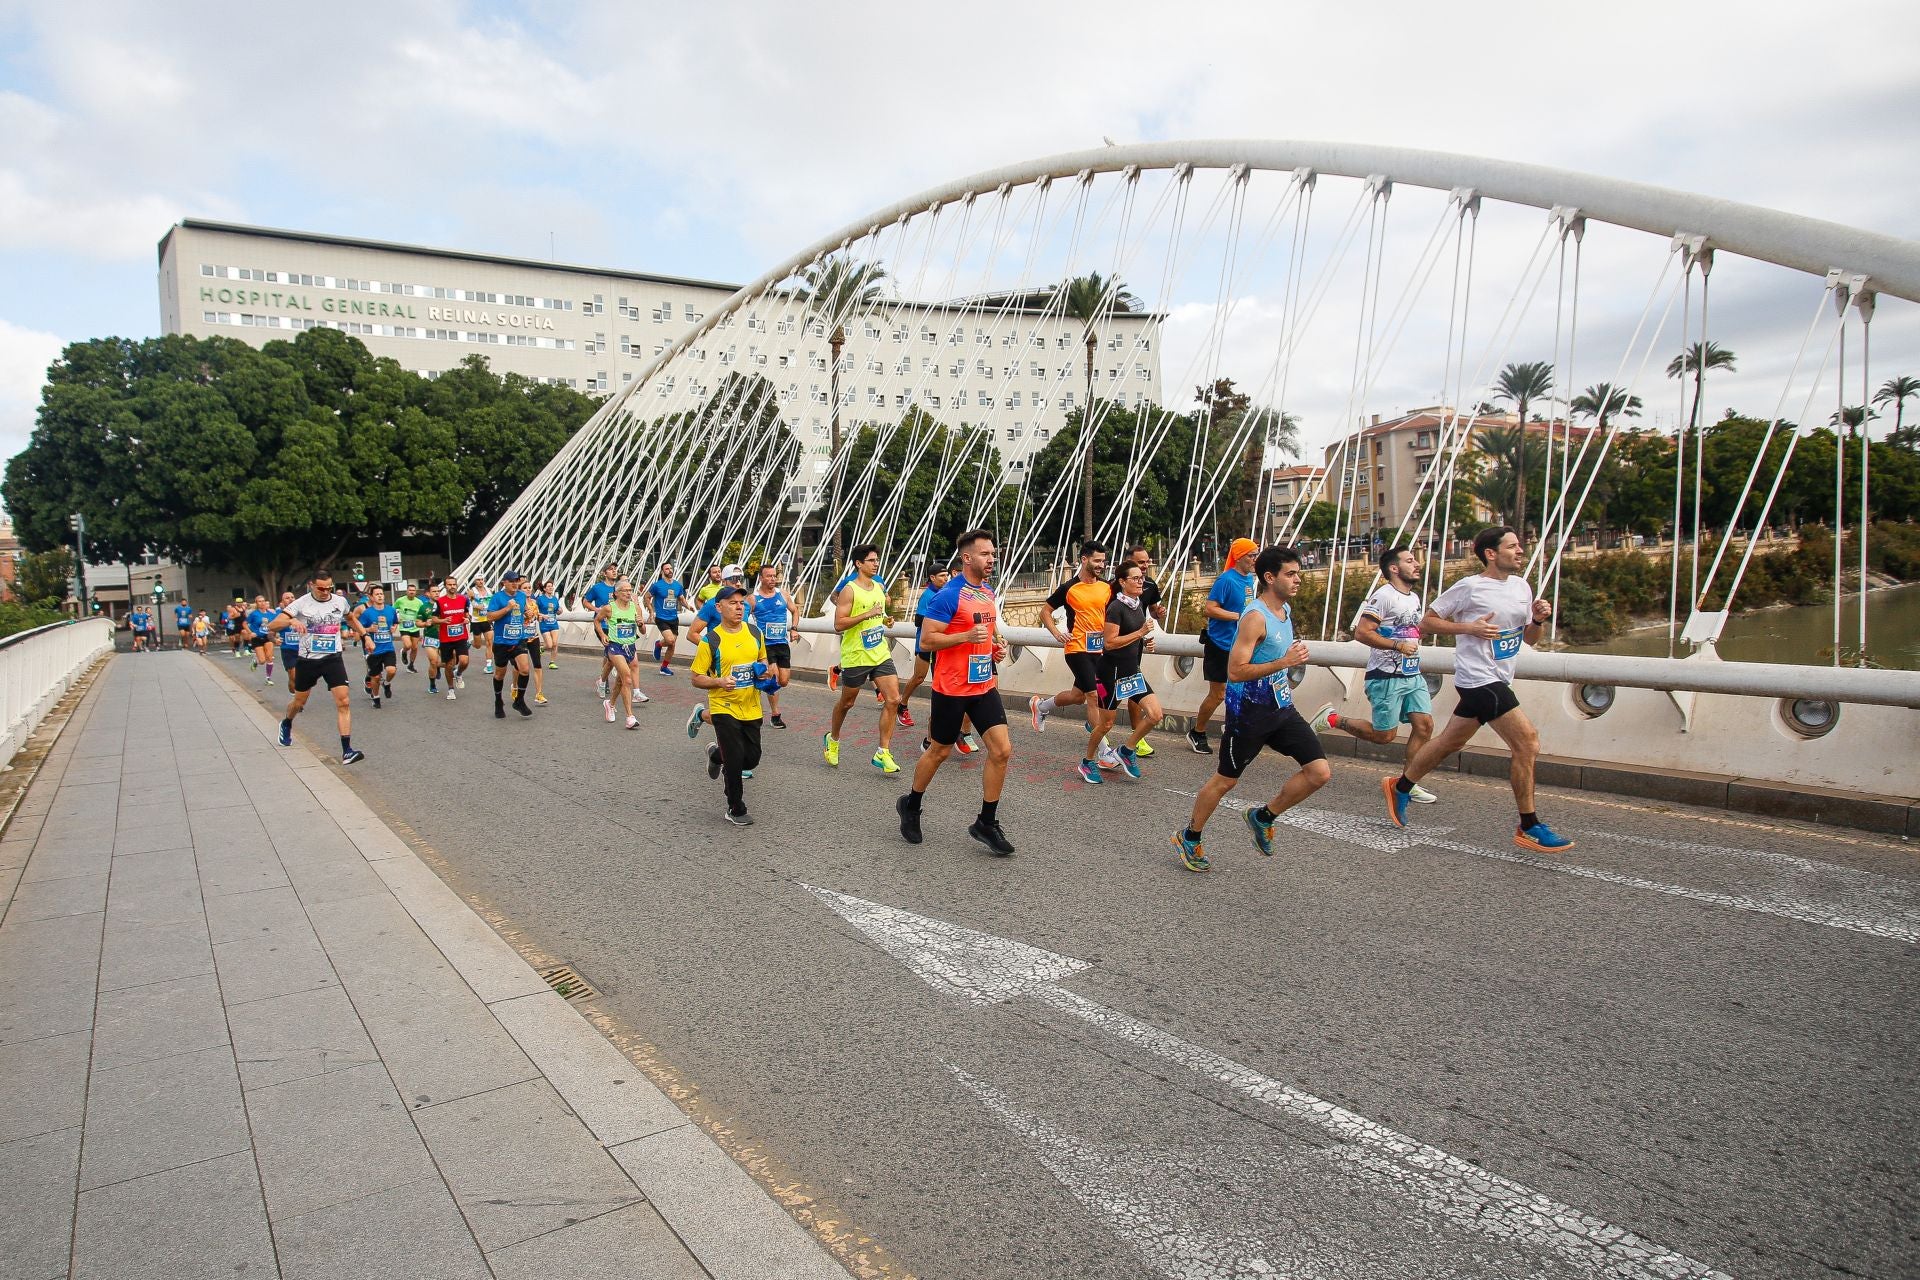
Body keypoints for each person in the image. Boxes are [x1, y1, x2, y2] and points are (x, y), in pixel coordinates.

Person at [1381, 526, 1573, 853]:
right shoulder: (1470, 587)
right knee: (1527, 743)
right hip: (1478, 678)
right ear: (1491, 553)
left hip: (1500, 676)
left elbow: (1528, 639)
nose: (1520, 551)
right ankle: (1529, 825)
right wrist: (1468, 627)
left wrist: (1537, 621)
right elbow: (1427, 622)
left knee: (1449, 741)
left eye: (1519, 546)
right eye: (1512, 546)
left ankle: (1399, 786)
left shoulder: (1522, 588)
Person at [1173, 546, 1329, 873]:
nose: (1298, 579)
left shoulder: (1284, 612)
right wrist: (1283, 661)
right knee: (1225, 781)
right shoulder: (1255, 617)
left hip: (1282, 708)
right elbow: (1235, 671)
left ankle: (1263, 816)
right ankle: (1190, 836)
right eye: (1291, 573)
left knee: (1319, 773)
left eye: (1298, 572)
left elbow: (1275, 658)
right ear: (1270, 578)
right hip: (1248, 715)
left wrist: (1287, 660)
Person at [896, 530, 1015, 855]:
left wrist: (994, 647)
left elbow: (987, 633)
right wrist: (964, 636)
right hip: (951, 688)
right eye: (985, 554)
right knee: (939, 752)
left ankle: (986, 823)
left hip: (983, 684)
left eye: (993, 553)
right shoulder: (948, 595)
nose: (991, 559)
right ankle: (912, 804)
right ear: (966, 558)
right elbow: (927, 641)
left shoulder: (987, 591)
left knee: (1002, 751)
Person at [1310, 545, 1438, 804]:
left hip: (1411, 673)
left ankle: (1407, 783)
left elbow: (1408, 629)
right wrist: (1397, 645)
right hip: (1386, 675)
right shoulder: (1384, 596)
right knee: (1384, 736)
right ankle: (1334, 719)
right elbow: (1362, 632)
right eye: (1410, 561)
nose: (1417, 565)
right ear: (1394, 568)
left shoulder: (1413, 598)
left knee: (1424, 726)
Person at [1029, 541, 1119, 770]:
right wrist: (1057, 633)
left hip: (1098, 650)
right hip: (1077, 649)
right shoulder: (1069, 587)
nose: (1101, 565)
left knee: (1077, 696)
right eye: (1097, 560)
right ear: (1084, 559)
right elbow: (1045, 611)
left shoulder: (1106, 587)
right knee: (1092, 695)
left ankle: (1041, 706)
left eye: (1103, 561)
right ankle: (1103, 751)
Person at [267, 570, 367, 765]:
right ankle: (287, 723)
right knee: (299, 702)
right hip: (307, 661)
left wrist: (365, 635)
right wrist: (291, 620)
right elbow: (273, 624)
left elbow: (350, 618)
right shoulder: (301, 603)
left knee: (344, 702)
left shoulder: (339, 601)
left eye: (329, 587)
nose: (325, 591)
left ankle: (347, 750)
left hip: (332, 658)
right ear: (311, 585)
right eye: (321, 588)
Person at [689, 585, 770, 826]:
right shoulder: (711, 640)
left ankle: (716, 754)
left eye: (741, 602)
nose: (739, 607)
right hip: (723, 706)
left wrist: (764, 672)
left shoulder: (755, 633)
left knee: (751, 759)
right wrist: (718, 682)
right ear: (718, 607)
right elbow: (695, 677)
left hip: (751, 705)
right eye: (732, 602)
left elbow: (762, 659)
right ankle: (735, 807)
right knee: (734, 761)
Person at [824, 545, 902, 774]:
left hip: (879, 652)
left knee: (894, 699)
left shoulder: (878, 586)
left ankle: (883, 752)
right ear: (859, 564)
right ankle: (833, 739)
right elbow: (839, 624)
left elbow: (880, 614)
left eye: (877, 560)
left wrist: (886, 621)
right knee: (847, 703)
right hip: (856, 654)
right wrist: (866, 615)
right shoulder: (849, 590)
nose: (876, 564)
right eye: (871, 560)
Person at [1092, 559, 1164, 782]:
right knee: (1105, 724)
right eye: (1135, 578)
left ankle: (1126, 750)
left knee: (1155, 715)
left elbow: (1134, 637)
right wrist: (1141, 632)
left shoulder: (1136, 605)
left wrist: (1146, 642)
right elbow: (1110, 643)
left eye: (1142, 577)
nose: (1141, 581)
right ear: (1122, 582)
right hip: (1111, 673)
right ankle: (1087, 761)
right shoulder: (1115, 607)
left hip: (1131, 671)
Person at [1189, 537, 1258, 754]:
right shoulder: (1226, 580)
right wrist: (1238, 616)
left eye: (1256, 555)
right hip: (1219, 644)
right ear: (1239, 557)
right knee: (1218, 694)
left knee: (1241, 690)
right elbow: (1210, 609)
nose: (1254, 559)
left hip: (1240, 645)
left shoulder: (1248, 580)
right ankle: (1197, 732)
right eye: (1251, 555)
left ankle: (1234, 731)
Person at [1120, 545, 1164, 758]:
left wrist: (1158, 614)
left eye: (1147, 562)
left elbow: (1151, 613)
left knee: (1133, 692)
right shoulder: (1115, 592)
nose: (1145, 567)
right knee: (1103, 698)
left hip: (1134, 647)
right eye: (1140, 563)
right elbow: (1111, 629)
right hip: (1114, 652)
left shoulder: (1150, 586)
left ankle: (1135, 739)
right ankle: (1098, 728)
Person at [749, 562, 799, 728]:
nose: (772, 579)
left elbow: (795, 610)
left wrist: (794, 629)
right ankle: (775, 714)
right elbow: (740, 619)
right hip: (765, 646)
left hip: (782, 643)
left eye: (774, 576)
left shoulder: (783, 594)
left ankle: (757, 682)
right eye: (768, 576)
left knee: (783, 681)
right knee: (774, 676)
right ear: (761, 578)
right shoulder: (753, 599)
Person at [482, 570, 536, 718]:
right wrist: (507, 608)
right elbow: (489, 617)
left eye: (516, 581)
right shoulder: (497, 597)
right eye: (511, 581)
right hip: (501, 642)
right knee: (500, 674)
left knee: (524, 670)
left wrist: (528, 614)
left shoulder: (521, 595)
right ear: (504, 583)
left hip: (518, 639)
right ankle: (498, 701)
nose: (514, 583)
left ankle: (519, 701)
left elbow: (524, 610)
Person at [596, 578, 644, 729]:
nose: (629, 593)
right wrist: (603, 635)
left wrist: (641, 624)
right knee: (627, 679)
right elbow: (597, 621)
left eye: (630, 590)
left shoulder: (635, 608)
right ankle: (630, 717)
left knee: (620, 681)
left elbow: (642, 631)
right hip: (615, 647)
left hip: (630, 647)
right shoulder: (609, 608)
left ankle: (610, 704)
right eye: (625, 590)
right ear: (616, 593)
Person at [355, 585, 399, 708]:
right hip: (373, 649)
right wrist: (369, 629)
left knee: (391, 670)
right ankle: (376, 697)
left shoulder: (391, 610)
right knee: (375, 676)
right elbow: (359, 629)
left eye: (381, 594)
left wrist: (394, 627)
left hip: (388, 647)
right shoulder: (367, 613)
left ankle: (387, 683)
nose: (380, 596)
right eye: (377, 594)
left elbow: (395, 622)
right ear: (371, 597)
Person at [583, 561, 622, 697]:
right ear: (604, 573)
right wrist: (595, 609)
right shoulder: (597, 588)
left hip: (616, 625)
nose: (614, 571)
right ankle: (607, 677)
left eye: (615, 569)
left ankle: (602, 681)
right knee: (611, 650)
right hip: (602, 625)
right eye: (611, 569)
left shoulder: (619, 588)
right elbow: (585, 601)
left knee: (608, 654)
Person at [437, 574, 472, 700]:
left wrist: (467, 619)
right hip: (446, 638)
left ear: (457, 586)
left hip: (461, 636)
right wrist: (443, 621)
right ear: (445, 586)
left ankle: (459, 673)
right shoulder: (440, 602)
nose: (452, 587)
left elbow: (468, 614)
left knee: (464, 661)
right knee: (449, 665)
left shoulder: (463, 599)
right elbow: (434, 618)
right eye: (449, 584)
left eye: (454, 584)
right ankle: (451, 689)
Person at [648, 562, 687, 676]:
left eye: (671, 568)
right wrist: (651, 611)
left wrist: (687, 606)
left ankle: (664, 667)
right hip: (661, 617)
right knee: (670, 640)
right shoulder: (657, 585)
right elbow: (647, 597)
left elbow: (681, 598)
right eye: (667, 569)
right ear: (662, 571)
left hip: (673, 618)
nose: (670, 570)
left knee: (672, 644)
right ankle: (658, 644)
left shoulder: (677, 585)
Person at [394, 581, 431, 672]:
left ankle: (411, 665)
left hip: (415, 627)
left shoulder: (419, 602)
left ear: (416, 592)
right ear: (406, 591)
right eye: (410, 590)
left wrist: (425, 620)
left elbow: (423, 613)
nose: (411, 592)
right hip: (404, 627)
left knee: (414, 648)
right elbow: (392, 610)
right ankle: (404, 651)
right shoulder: (400, 600)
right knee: (408, 645)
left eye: (413, 590)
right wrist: (396, 619)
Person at [245, 594, 277, 679]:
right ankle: (255, 660)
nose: (262, 603)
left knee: (269, 657)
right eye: (260, 601)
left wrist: (274, 634)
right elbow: (244, 623)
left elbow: (275, 624)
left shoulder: (271, 614)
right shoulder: (254, 614)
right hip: (257, 638)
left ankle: (268, 678)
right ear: (256, 603)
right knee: (262, 661)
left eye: (263, 601)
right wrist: (250, 633)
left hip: (267, 637)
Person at [467, 575, 494, 674]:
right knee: (478, 645)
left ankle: (489, 665)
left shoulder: (489, 590)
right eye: (478, 580)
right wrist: (477, 605)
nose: (480, 581)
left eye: (482, 579)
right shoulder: (471, 591)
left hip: (487, 620)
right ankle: (470, 642)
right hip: (476, 621)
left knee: (489, 642)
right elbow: (472, 603)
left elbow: (492, 601)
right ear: (475, 581)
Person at [535, 580, 561, 671]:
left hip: (553, 623)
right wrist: (542, 615)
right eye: (549, 586)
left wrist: (560, 611)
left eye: (551, 586)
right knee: (549, 645)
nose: (551, 588)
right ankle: (541, 649)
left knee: (555, 643)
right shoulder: (540, 599)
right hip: (544, 624)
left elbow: (557, 610)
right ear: (545, 589)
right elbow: (535, 611)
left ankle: (552, 662)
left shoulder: (554, 599)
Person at [274, 590, 299, 686]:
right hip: (288, 649)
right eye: (287, 598)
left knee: (303, 677)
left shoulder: (302, 613)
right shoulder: (279, 615)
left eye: (292, 597)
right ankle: (295, 697)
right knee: (294, 677)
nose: (291, 599)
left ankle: (298, 697)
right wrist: (274, 639)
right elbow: (271, 631)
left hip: (304, 649)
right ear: (282, 601)